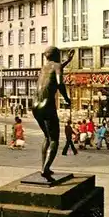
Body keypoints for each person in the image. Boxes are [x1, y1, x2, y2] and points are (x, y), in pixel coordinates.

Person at [32, 46, 74, 180]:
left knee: (46, 137)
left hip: (35, 105)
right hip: (47, 105)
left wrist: (67, 61)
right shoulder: (57, 66)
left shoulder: (44, 68)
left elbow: (57, 67)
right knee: (54, 138)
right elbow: (60, 83)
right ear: (57, 55)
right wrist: (67, 99)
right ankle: (45, 168)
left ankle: (44, 167)